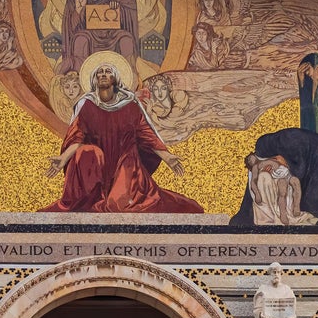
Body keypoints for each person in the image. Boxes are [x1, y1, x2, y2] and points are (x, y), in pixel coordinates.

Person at [43, 55, 202, 215]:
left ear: (116, 79)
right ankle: (92, 196)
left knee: (120, 204)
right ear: (94, 79)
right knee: (86, 152)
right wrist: (64, 159)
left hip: (125, 164)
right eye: (100, 72)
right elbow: (77, 137)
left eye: (108, 72)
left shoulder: (130, 106)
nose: (103, 74)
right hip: (98, 166)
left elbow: (147, 135)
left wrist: (168, 157)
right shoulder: (88, 106)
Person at [244, 154, 317, 226]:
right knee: (282, 187)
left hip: (285, 173)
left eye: (250, 157)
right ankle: (283, 214)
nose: (250, 159)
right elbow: (253, 182)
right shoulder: (255, 167)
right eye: (248, 160)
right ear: (249, 165)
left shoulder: (267, 159)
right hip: (277, 177)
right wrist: (257, 194)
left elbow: (280, 159)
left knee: (296, 181)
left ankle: (296, 206)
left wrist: (281, 162)